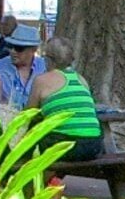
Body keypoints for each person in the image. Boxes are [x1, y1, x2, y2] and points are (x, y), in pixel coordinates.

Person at [27, 38, 108, 168]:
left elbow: (28, 114)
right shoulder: (82, 80)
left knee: (33, 135)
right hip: (94, 146)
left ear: (48, 59)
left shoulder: (41, 81)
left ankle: (26, 179)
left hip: (65, 145)